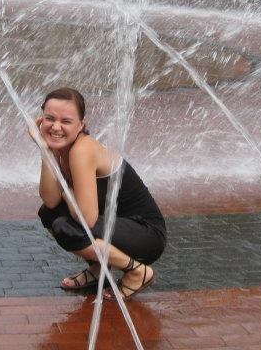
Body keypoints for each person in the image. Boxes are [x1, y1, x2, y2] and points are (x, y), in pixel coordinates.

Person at [29, 87, 166, 301]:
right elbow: (50, 200)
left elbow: (87, 218)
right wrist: (45, 151)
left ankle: (138, 271)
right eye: (50, 118)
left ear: (81, 124)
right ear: (41, 119)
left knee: (67, 228)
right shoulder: (61, 148)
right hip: (117, 226)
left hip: (146, 235)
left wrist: (67, 191)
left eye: (66, 121)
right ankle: (98, 268)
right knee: (49, 213)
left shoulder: (82, 150)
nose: (56, 127)